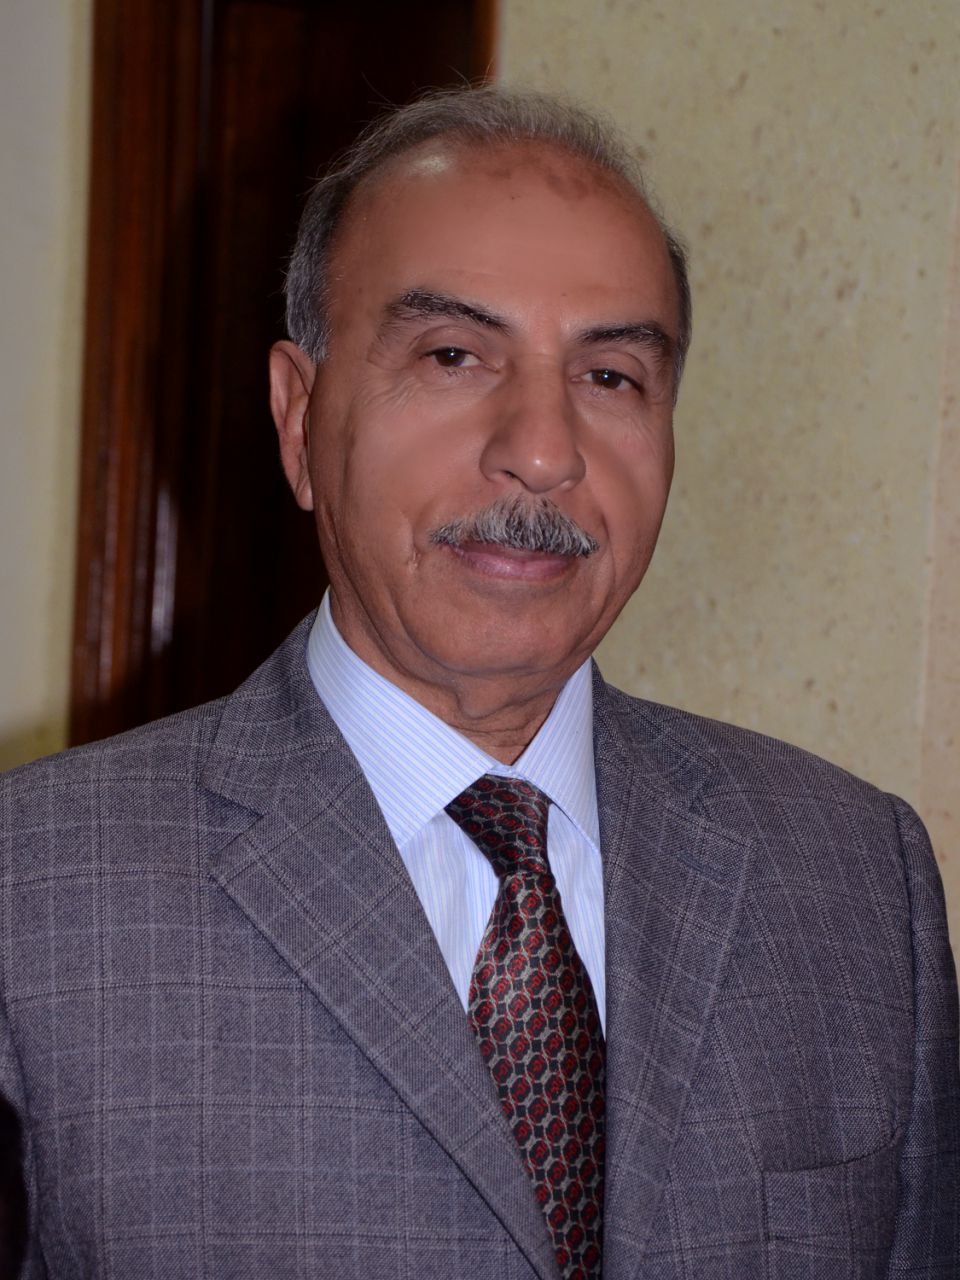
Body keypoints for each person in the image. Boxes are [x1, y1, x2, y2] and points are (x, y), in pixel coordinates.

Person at [1, 86, 957, 1280]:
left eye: (611, 375)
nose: (544, 450)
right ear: (299, 419)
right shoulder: (34, 892)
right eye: (453, 355)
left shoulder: (857, 882)